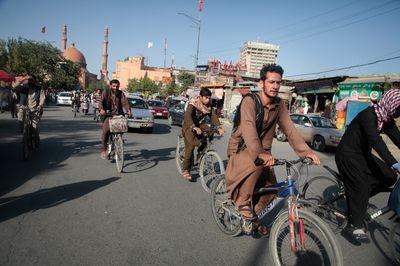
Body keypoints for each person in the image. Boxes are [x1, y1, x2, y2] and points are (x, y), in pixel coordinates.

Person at [225, 64, 320, 235]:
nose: (275, 86)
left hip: (263, 153)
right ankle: (243, 203)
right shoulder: (250, 101)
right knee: (256, 163)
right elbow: (248, 128)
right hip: (242, 148)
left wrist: (307, 153)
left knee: (272, 189)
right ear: (262, 83)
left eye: (278, 82)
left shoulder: (279, 104)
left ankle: (253, 218)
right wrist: (260, 153)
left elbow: (290, 129)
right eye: (271, 82)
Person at [335, 89, 400, 243]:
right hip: (347, 154)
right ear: (391, 104)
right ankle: (352, 225)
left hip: (362, 156)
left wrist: (392, 167)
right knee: (362, 186)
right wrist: (394, 163)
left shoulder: (386, 119)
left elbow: (398, 139)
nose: (399, 112)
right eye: (399, 108)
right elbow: (375, 140)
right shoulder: (368, 115)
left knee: (390, 176)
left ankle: (356, 198)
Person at [181, 88, 225, 181]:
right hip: (189, 126)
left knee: (209, 132)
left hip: (200, 124)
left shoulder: (209, 105)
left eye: (209, 98)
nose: (208, 100)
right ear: (200, 97)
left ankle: (200, 153)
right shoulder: (193, 102)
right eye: (206, 98)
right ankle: (186, 170)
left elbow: (213, 115)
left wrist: (219, 127)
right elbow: (187, 116)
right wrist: (194, 127)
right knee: (190, 148)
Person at [99, 79, 132, 159]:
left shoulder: (121, 93)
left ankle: (118, 143)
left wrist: (128, 111)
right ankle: (104, 149)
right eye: (114, 86)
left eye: (117, 86)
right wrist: (102, 109)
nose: (115, 88)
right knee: (105, 132)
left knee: (121, 128)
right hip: (108, 114)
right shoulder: (106, 92)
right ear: (110, 86)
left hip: (118, 114)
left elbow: (125, 102)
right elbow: (101, 101)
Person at [13, 75, 45, 147]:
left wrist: (40, 105)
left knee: (34, 128)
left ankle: (36, 140)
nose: (30, 82)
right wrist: (23, 79)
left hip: (35, 110)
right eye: (29, 80)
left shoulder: (39, 88)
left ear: (34, 81)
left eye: (31, 80)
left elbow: (42, 98)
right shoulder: (23, 87)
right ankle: (22, 128)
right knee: (20, 113)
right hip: (24, 108)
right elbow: (14, 87)